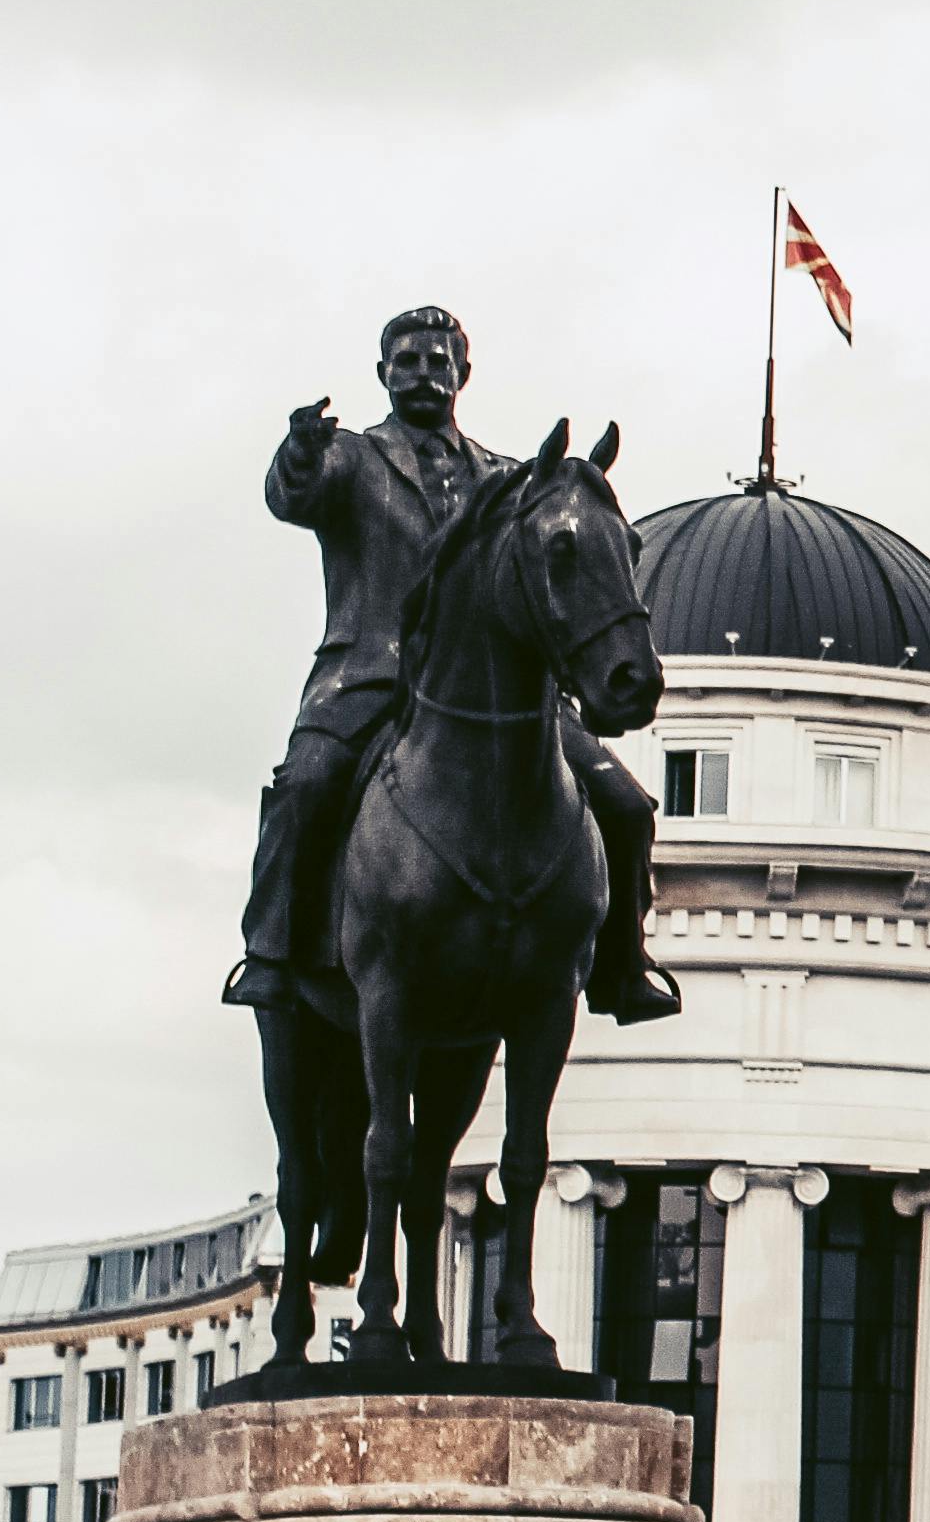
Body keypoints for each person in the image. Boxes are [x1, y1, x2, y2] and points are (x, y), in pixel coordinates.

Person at [228, 307, 675, 1027]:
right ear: (383, 375)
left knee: (624, 807)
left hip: (501, 693)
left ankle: (623, 966)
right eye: (407, 362)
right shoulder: (349, 458)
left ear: (462, 374)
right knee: (307, 786)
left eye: (438, 362)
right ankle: (273, 954)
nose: (424, 374)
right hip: (368, 678)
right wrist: (299, 451)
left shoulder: (507, 477)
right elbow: (294, 495)